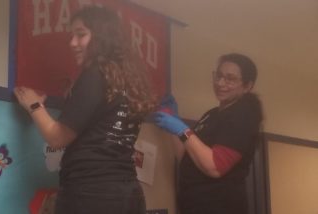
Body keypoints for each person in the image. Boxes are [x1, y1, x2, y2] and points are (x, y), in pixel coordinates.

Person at [14, 5, 157, 214]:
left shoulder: (94, 75)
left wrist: (34, 105)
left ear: (102, 36)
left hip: (92, 194)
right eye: (71, 36)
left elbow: (57, 138)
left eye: (81, 35)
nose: (72, 43)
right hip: (128, 193)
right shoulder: (125, 78)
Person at [154, 53, 263, 214]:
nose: (220, 83)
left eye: (230, 78)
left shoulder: (244, 114)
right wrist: (174, 122)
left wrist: (181, 129)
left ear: (247, 86)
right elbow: (186, 155)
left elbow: (215, 166)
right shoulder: (211, 114)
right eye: (218, 75)